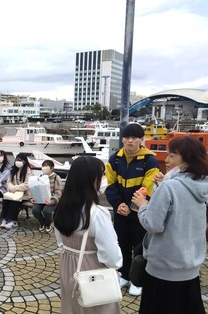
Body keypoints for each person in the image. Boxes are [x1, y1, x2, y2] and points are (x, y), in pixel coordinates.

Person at [131, 136, 208, 314]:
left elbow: (153, 224)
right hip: (191, 268)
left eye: (172, 156)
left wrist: (143, 205)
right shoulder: (201, 183)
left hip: (163, 269)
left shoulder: (169, 187)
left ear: (186, 162)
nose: (166, 160)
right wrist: (161, 183)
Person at [54, 156, 122, 314]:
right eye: (101, 175)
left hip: (67, 264)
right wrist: (116, 267)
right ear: (92, 179)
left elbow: (60, 242)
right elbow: (111, 255)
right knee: (99, 307)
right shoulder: (97, 214)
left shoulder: (61, 208)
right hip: (91, 267)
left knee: (72, 306)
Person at [105, 123, 159, 296]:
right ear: (122, 139)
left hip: (139, 213)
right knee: (121, 243)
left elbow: (147, 187)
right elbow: (110, 183)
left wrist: (132, 207)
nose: (130, 141)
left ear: (141, 140)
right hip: (120, 211)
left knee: (140, 247)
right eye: (127, 137)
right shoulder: (115, 159)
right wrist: (118, 204)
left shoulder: (149, 160)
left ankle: (138, 280)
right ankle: (125, 274)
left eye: (134, 137)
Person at [0, 153, 33, 230]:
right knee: (6, 199)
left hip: (24, 194)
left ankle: (12, 221)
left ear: (24, 161)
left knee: (15, 201)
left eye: (20, 160)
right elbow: (9, 181)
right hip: (13, 192)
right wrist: (11, 187)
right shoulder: (13, 170)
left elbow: (27, 185)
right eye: (17, 160)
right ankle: (5, 219)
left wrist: (15, 188)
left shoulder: (28, 171)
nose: (18, 162)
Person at [29, 160, 62, 233]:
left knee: (46, 211)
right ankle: (42, 222)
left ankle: (48, 224)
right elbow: (36, 189)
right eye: (43, 166)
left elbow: (58, 192)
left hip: (52, 200)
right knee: (35, 210)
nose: (44, 167)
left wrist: (52, 201)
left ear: (52, 168)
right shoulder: (41, 177)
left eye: (46, 166)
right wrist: (32, 198)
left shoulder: (56, 178)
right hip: (41, 199)